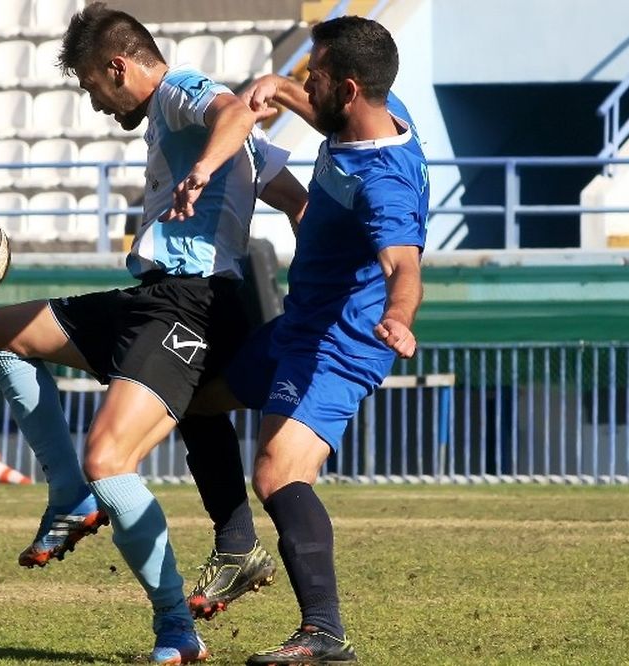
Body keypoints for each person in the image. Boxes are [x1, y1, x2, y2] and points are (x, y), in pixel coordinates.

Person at [0, 3, 306, 662]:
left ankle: (175, 629)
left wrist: (205, 171)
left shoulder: (180, 91)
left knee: (111, 460)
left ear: (116, 66)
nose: (95, 103)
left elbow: (236, 110)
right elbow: (295, 198)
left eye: (91, 86)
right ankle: (68, 495)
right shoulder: (171, 125)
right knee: (2, 331)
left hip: (189, 304)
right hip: (154, 297)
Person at [188, 16, 430, 664]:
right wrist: (282, 88)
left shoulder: (385, 184)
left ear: (347, 90)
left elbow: (403, 266)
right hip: (300, 324)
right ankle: (238, 549)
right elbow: (325, 116)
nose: (306, 82)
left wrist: (400, 317)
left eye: (312, 76)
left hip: (340, 342)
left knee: (278, 472)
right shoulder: (377, 107)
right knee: (193, 399)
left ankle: (324, 635)